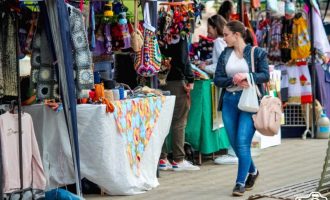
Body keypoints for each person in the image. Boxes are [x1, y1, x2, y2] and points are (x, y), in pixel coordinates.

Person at [214, 20, 269, 196]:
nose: (223, 38)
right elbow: (218, 79)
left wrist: (247, 76)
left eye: (226, 34)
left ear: (236, 35)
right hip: (230, 100)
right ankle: (253, 172)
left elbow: (265, 75)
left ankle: (240, 183)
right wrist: (234, 80)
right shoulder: (225, 54)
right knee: (235, 144)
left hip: (250, 101)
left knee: (242, 142)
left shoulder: (257, 52)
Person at [198, 15, 238, 165]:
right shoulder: (225, 42)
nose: (207, 30)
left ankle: (232, 151)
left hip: (227, 83)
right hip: (232, 82)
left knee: (229, 117)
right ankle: (234, 150)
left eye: (209, 26)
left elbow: (222, 65)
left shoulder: (218, 42)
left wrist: (205, 67)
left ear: (216, 27)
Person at [158, 34, 200, 171]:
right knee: (179, 121)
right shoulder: (178, 31)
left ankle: (162, 158)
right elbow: (183, 59)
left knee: (161, 119)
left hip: (158, 79)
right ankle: (178, 159)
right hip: (176, 80)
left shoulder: (158, 29)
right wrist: (190, 78)